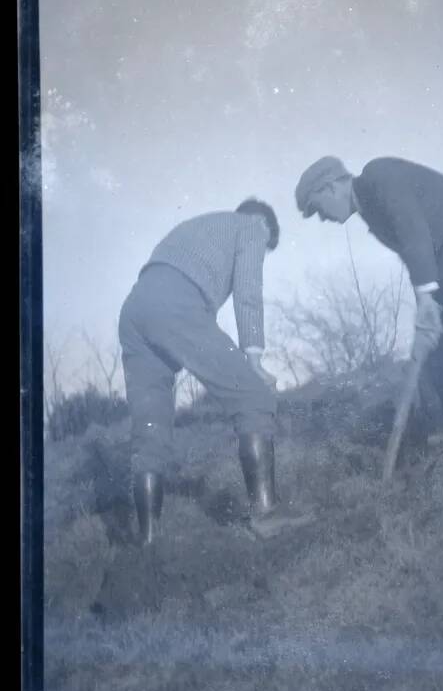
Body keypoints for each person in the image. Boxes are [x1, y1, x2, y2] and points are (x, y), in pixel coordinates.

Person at [295, 156, 443, 491]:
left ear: (331, 187)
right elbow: (413, 249)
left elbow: (415, 234)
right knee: (433, 354)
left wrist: (427, 298)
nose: (323, 218)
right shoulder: (369, 207)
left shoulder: (378, 178)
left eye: (318, 208)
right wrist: (425, 305)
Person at [118, 199, 312, 543]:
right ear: (263, 227)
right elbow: (248, 293)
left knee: (149, 431)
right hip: (173, 302)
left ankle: (148, 543)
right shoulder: (252, 226)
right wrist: (254, 361)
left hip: (134, 311)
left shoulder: (200, 228)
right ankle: (266, 513)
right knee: (253, 395)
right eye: (264, 252)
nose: (259, 256)